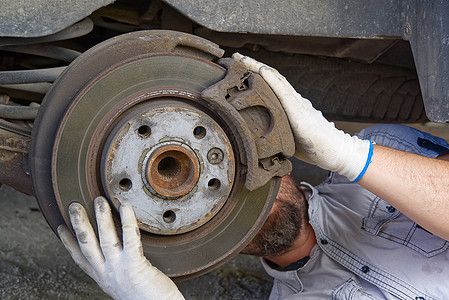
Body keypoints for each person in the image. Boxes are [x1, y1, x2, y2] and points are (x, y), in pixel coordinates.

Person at [57, 55, 449, 299]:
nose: (233, 191)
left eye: (236, 174)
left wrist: (350, 155)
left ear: (274, 157)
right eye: (217, 203)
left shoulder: (379, 148)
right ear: (200, 241)